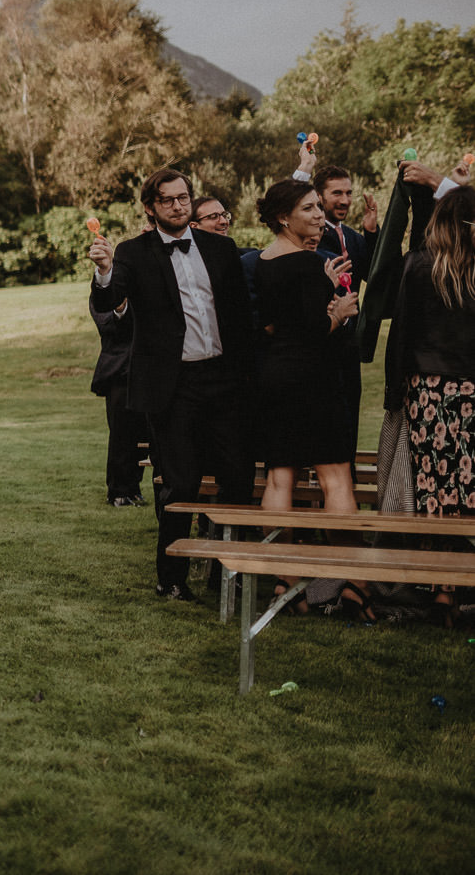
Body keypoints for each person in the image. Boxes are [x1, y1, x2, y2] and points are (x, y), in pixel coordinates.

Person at [88, 168, 255, 602]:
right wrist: (105, 271)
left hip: (223, 380)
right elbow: (109, 299)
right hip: (172, 387)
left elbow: (240, 316)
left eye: (183, 198)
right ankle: (172, 578)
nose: (178, 206)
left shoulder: (221, 248)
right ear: (151, 207)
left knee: (237, 479)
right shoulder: (133, 252)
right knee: (180, 483)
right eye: (168, 200)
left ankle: (229, 575)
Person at [250, 179, 367, 616]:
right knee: (335, 476)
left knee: (281, 476)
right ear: (285, 216)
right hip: (314, 378)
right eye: (310, 208)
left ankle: (283, 579)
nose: (320, 214)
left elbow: (280, 321)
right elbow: (315, 333)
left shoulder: (263, 261)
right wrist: (339, 312)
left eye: (320, 206)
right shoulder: (304, 262)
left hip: (275, 377)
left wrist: (324, 284)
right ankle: (351, 578)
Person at [384, 186, 475, 628]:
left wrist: (393, 392)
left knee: (437, 488)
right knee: (469, 484)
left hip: (428, 391)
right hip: (472, 391)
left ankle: (443, 590)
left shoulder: (419, 266)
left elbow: (401, 332)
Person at [90, 295, 151, 507]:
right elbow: (105, 324)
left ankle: (134, 488)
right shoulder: (103, 290)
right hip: (119, 373)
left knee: (144, 433)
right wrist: (121, 308)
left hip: (146, 371)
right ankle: (117, 491)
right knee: (120, 433)